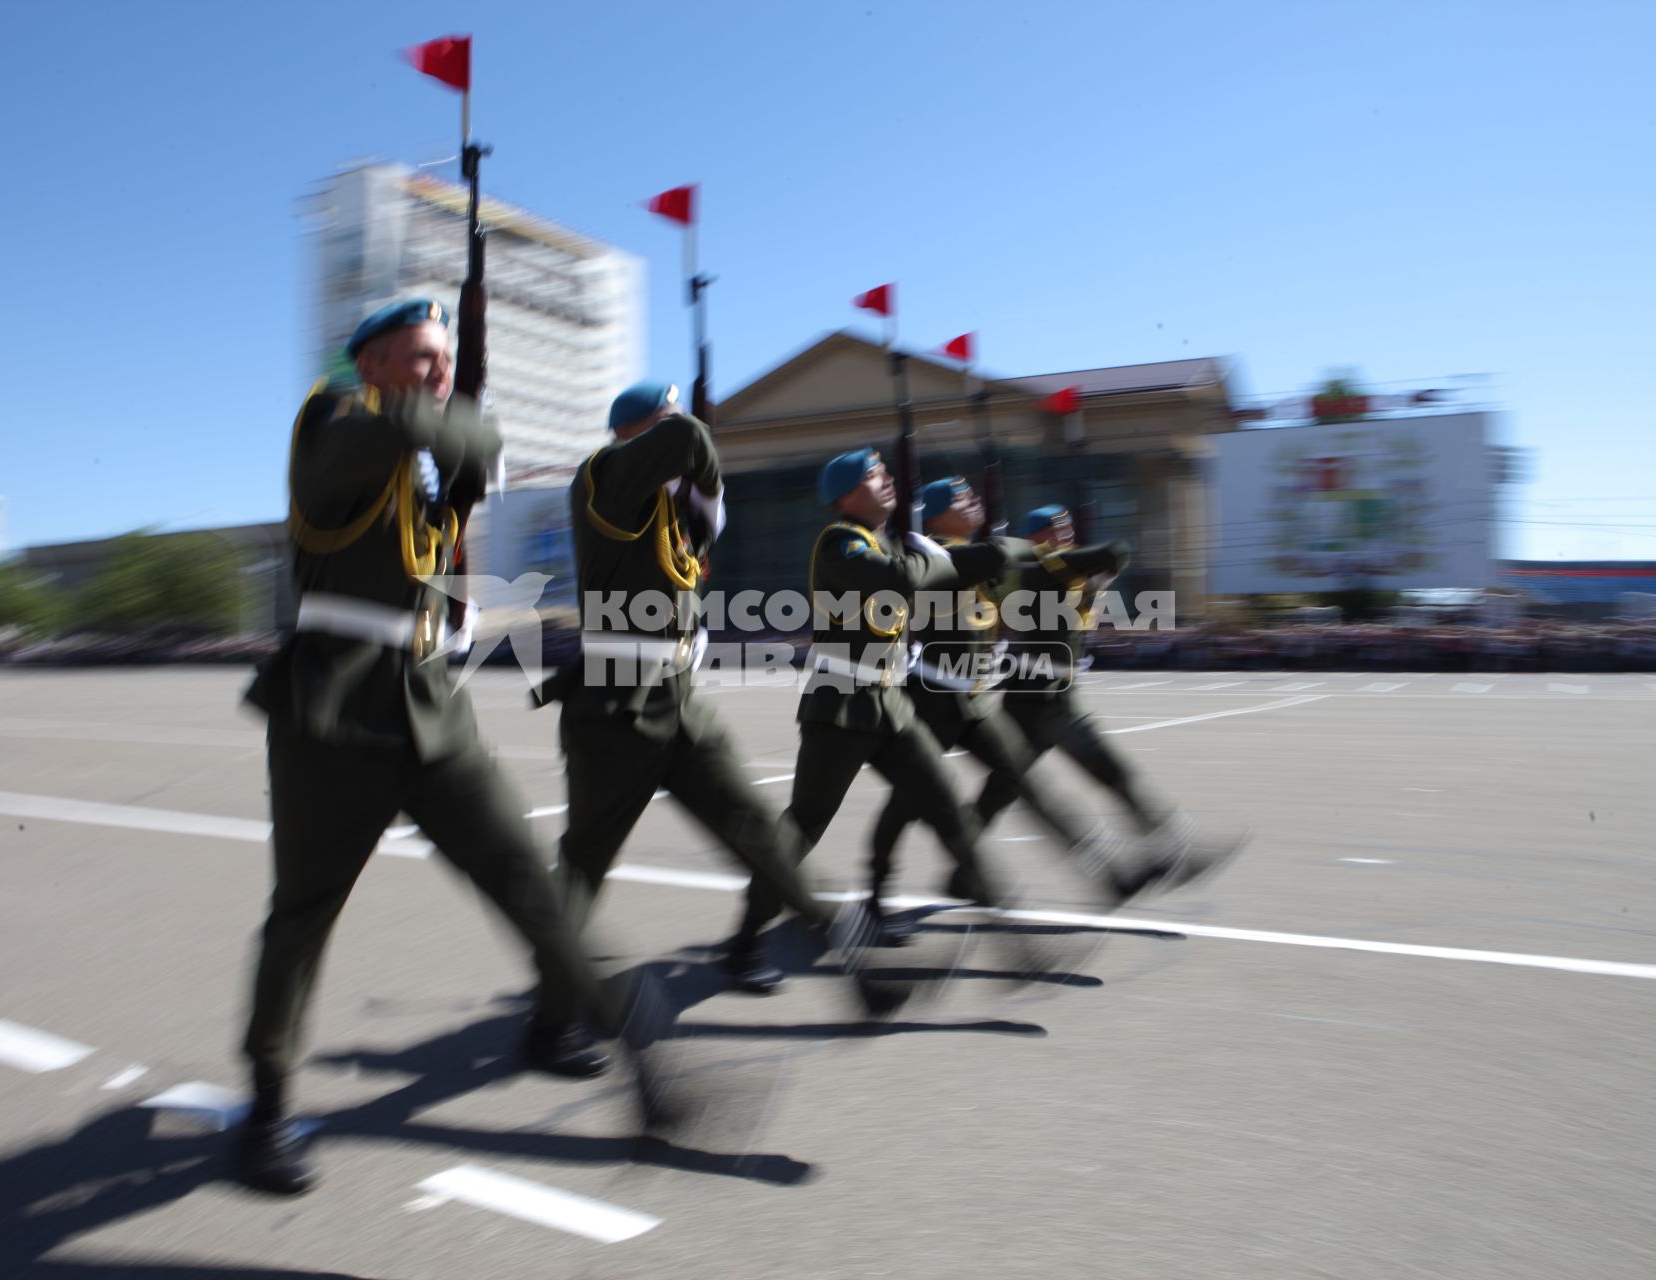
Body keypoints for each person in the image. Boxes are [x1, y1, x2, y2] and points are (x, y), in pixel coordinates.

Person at [237, 300, 674, 1196]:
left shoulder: (432, 462)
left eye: (444, 357)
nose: (434, 371)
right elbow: (409, 432)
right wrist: (454, 403)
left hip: (432, 711)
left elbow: (471, 455)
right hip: (334, 711)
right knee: (305, 914)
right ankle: (267, 1107)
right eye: (417, 356)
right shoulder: (335, 420)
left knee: (532, 886)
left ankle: (639, 1048)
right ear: (371, 365)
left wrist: (465, 420)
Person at [530, 382, 908, 1070]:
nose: (675, 428)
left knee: (760, 833)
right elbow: (690, 442)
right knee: (584, 866)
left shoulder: (670, 514)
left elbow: (691, 490)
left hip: (676, 697)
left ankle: (850, 959)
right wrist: (693, 449)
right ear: (634, 434)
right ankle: (548, 1021)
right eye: (662, 418)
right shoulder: (605, 478)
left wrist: (701, 499)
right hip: (614, 702)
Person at [724, 450, 1048, 989]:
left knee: (947, 806)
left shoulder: (895, 545)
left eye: (885, 472)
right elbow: (902, 580)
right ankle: (743, 941)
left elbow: (957, 569)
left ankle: (1012, 942)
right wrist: (946, 556)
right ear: (847, 494)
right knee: (804, 825)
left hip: (891, 703)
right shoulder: (840, 543)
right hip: (841, 703)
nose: (888, 480)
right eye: (875, 475)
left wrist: (1004, 549)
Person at [863, 478, 1157, 938]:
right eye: (962, 498)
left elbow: (1021, 582)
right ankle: (875, 891)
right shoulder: (933, 554)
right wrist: (1037, 553)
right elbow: (999, 559)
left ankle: (1106, 875)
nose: (974, 500)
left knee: (1024, 780)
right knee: (907, 800)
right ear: (938, 515)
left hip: (975, 699)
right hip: (932, 698)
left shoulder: (977, 556)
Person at [970, 505, 1238, 892]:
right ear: (1037, 537)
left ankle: (962, 865)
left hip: (1052, 695)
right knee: (1100, 772)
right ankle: (1177, 851)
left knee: (1006, 789)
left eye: (1067, 529)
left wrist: (1095, 582)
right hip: (1036, 698)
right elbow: (1116, 551)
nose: (1066, 535)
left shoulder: (1052, 570)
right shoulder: (1042, 565)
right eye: (1057, 529)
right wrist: (1102, 572)